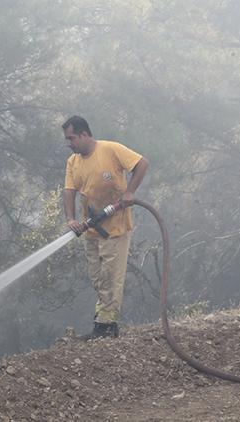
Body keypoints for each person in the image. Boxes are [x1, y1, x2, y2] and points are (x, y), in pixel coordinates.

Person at [62, 115, 149, 338]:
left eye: (71, 138)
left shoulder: (110, 149)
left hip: (116, 226)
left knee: (111, 276)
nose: (69, 143)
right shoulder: (73, 162)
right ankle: (102, 320)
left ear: (84, 134)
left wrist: (129, 192)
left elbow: (142, 163)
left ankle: (107, 326)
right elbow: (69, 190)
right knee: (97, 277)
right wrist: (71, 219)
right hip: (91, 227)